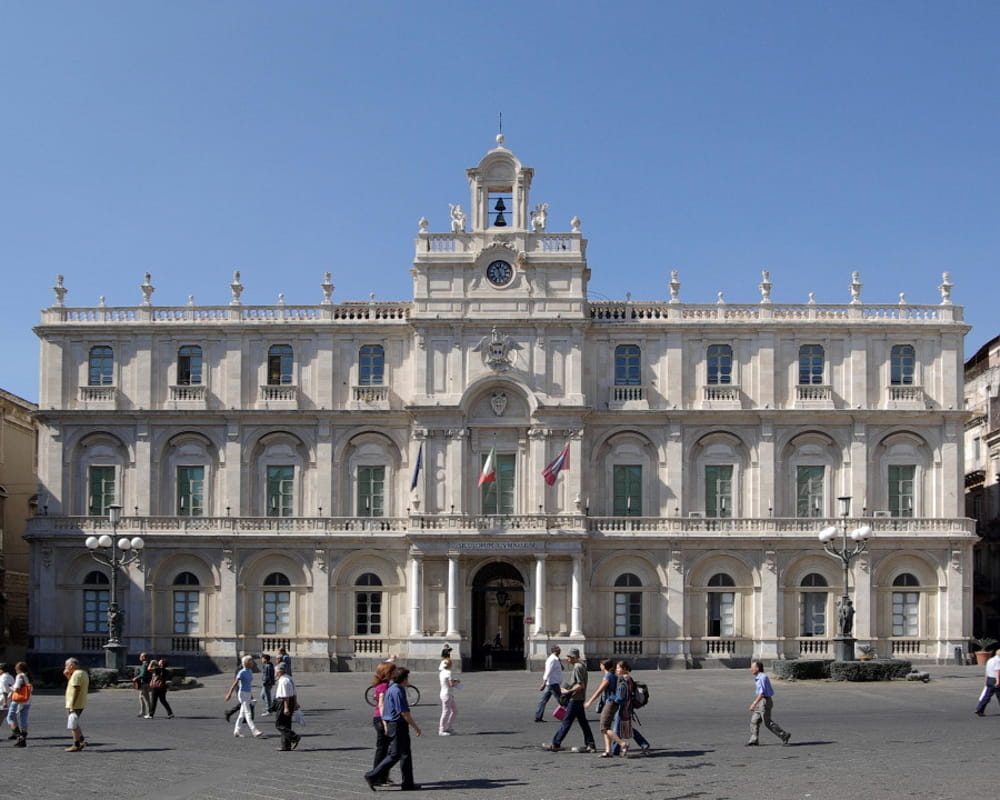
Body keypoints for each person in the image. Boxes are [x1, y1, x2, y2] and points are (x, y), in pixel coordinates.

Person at [364, 666, 422, 792]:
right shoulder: (398, 691)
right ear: (404, 679)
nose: (408, 680)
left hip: (393, 724)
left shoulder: (392, 688)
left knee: (406, 754)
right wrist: (416, 727)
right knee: (395, 755)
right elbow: (404, 712)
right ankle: (372, 775)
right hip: (397, 725)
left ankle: (408, 783)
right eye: (407, 677)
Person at [543, 647, 596, 753]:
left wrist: (568, 691)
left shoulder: (578, 667)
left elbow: (580, 684)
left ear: (573, 657)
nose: (567, 659)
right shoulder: (581, 666)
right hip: (579, 698)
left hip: (575, 698)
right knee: (583, 722)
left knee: (566, 722)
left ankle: (555, 743)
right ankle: (591, 744)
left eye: (569, 657)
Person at [747, 660, 791, 746]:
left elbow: (762, 693)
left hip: (764, 701)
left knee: (767, 722)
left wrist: (754, 703)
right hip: (761, 701)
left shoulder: (762, 677)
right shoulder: (759, 677)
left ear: (757, 668)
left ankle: (784, 735)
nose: (751, 669)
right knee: (754, 720)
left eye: (752, 667)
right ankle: (754, 739)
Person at [369, 661, 397, 787]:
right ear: (387, 673)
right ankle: (378, 777)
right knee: (383, 750)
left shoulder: (381, 685)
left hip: (379, 718)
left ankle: (382, 776)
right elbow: (381, 705)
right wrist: (385, 723)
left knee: (384, 749)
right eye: (393, 671)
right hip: (381, 719)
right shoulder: (384, 687)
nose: (395, 673)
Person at [224, 654, 264, 738]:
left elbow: (248, 684)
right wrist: (229, 694)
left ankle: (237, 731)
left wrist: (251, 695)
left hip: (248, 693)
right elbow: (235, 683)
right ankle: (254, 730)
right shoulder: (241, 672)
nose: (253, 662)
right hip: (242, 693)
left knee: (242, 714)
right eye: (251, 661)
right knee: (248, 713)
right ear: (247, 663)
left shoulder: (250, 671)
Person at [273, 662, 301, 751]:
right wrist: (295, 703)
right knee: (286, 724)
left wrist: (286, 707)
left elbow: (285, 696)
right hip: (291, 701)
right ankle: (286, 745)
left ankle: (294, 736)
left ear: (279, 672)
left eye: (275, 672)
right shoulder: (289, 678)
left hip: (283, 703)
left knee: (279, 724)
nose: (275, 674)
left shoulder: (283, 681)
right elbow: (294, 692)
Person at [64, 657, 89, 752]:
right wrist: (67, 676)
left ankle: (76, 744)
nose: (65, 667)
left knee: (72, 724)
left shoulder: (76, 674)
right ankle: (81, 740)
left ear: (71, 665)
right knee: (75, 722)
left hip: (75, 704)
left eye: (66, 665)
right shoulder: (82, 673)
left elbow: (76, 689)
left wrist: (72, 705)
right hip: (80, 703)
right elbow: (73, 684)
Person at [6, 662, 32, 747]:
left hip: (18, 700)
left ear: (18, 669)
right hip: (27, 700)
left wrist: (10, 687)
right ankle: (23, 737)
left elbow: (16, 688)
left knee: (10, 717)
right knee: (23, 719)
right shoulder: (28, 676)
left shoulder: (20, 676)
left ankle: (19, 736)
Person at [535, 645, 563, 722]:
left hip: (551, 683)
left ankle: (538, 716)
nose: (560, 651)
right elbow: (548, 672)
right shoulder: (552, 660)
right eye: (558, 650)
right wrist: (543, 683)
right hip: (553, 683)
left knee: (543, 700)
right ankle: (570, 714)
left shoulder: (556, 659)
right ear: (554, 651)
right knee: (561, 699)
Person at [974, 646, 1000, 716]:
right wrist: (998, 681)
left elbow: (987, 671)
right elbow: (997, 671)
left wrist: (986, 680)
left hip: (989, 679)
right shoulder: (998, 661)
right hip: (995, 679)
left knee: (986, 696)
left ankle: (979, 709)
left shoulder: (990, 660)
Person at [438, 657, 459, 735]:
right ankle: (441, 730)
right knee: (446, 712)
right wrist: (456, 682)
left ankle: (448, 727)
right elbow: (451, 684)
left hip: (445, 693)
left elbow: (447, 682)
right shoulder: (448, 672)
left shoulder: (442, 672)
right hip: (447, 694)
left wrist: (454, 680)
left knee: (455, 711)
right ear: (450, 665)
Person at [134, 652, 153, 718]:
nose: (139, 657)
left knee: (146, 698)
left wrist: (136, 678)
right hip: (146, 682)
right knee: (141, 697)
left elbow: (143, 674)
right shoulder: (147, 664)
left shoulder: (145, 665)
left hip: (144, 683)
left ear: (143, 658)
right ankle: (142, 711)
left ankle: (149, 713)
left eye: (140, 656)